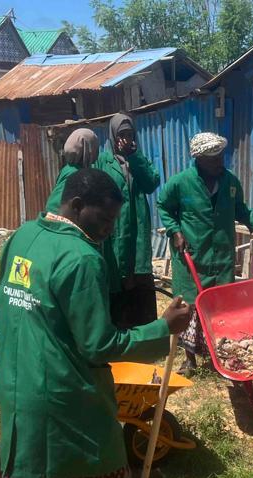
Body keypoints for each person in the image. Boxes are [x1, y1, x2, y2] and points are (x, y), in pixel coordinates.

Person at [0, 168, 191, 478]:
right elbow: (98, 343)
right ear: (77, 206)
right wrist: (162, 328)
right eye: (104, 221)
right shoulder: (82, 258)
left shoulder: (25, 237)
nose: (108, 231)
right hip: (65, 395)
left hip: (18, 381)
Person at [157, 132, 253, 375]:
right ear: (198, 159)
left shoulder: (229, 181)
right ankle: (190, 360)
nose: (219, 163)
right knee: (190, 308)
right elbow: (163, 206)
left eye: (220, 157)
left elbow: (241, 208)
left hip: (221, 256)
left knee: (219, 306)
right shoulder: (180, 182)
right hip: (193, 256)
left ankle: (218, 354)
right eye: (212, 160)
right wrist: (175, 231)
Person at [97, 113, 162, 328]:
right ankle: (118, 329)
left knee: (139, 274)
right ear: (112, 136)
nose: (125, 139)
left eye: (129, 134)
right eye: (121, 135)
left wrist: (135, 158)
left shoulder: (139, 159)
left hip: (136, 231)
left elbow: (152, 183)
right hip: (113, 230)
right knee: (117, 275)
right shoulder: (102, 162)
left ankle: (144, 331)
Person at [47, 128, 122, 296]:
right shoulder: (75, 176)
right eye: (95, 148)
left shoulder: (68, 170)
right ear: (88, 149)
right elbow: (54, 209)